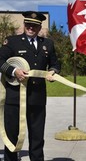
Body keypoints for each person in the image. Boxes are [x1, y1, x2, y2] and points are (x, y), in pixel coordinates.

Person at [0, 11, 61, 161]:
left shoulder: (47, 44)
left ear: (40, 27)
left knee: (37, 137)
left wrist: (53, 72)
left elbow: (55, 63)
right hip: (14, 98)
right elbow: (0, 61)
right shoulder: (12, 42)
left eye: (34, 25)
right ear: (24, 25)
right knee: (12, 136)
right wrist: (14, 71)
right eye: (28, 25)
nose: (31, 28)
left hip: (37, 98)